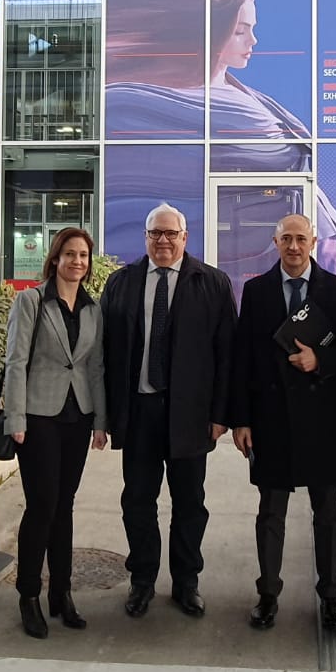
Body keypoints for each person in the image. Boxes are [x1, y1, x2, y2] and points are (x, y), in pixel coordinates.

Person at [104, 0, 336, 285]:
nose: (252, 40)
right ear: (209, 33)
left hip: (304, 242)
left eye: (251, 29)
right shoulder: (162, 103)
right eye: (240, 31)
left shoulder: (244, 97)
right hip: (249, 246)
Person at [101, 202, 237, 619]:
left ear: (184, 237)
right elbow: (105, 352)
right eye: (155, 233)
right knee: (137, 501)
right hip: (139, 413)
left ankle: (186, 582)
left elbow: (227, 355)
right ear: (145, 237)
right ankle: (142, 580)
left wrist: (221, 414)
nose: (163, 240)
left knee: (190, 503)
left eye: (170, 233)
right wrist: (107, 415)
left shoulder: (212, 283)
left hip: (190, 416)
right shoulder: (122, 283)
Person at [230, 214, 336, 632]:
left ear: (314, 241)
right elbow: (243, 358)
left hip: (323, 421)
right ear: (275, 242)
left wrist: (321, 359)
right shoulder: (256, 291)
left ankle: (331, 597)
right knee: (271, 514)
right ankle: (267, 594)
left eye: (301, 238)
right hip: (271, 420)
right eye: (286, 239)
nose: (294, 246)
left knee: (328, 515)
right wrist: (241, 420)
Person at [1, 227, 110, 639]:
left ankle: (61, 593)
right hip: (38, 417)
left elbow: (95, 367)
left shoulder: (92, 309)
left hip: (77, 416)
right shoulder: (31, 301)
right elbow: (15, 362)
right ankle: (28, 594)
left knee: (64, 506)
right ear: (55, 258)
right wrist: (15, 418)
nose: (77, 261)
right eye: (70, 254)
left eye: (83, 255)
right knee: (42, 505)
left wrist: (100, 420)